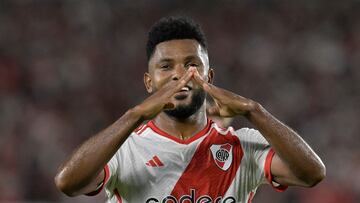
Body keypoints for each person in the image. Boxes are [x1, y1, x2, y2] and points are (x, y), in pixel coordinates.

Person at [54, 16, 326, 203]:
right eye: (166, 66)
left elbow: (312, 173)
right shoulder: (125, 149)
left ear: (208, 77)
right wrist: (134, 115)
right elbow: (68, 183)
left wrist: (255, 111)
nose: (180, 75)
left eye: (191, 65)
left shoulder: (242, 145)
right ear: (149, 82)